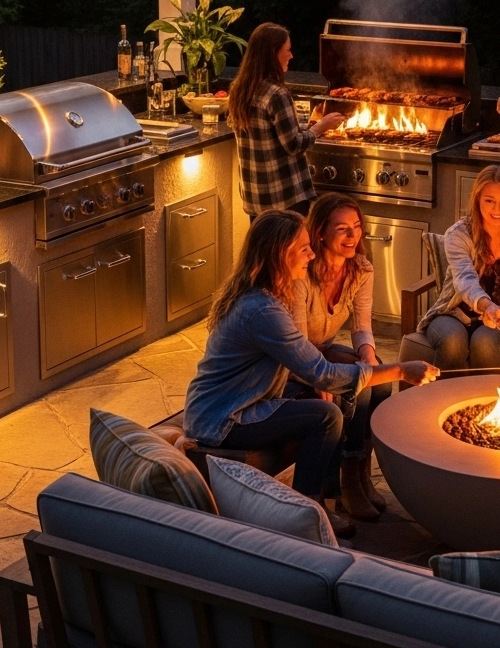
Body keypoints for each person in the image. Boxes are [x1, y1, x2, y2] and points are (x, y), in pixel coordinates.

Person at [183, 210, 438, 525]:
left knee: (339, 399)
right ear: (281, 254)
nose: (311, 254)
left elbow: (309, 367)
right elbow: (322, 373)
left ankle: (337, 489)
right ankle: (307, 512)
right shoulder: (263, 310)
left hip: (247, 398)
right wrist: (401, 371)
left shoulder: (270, 293)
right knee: (326, 416)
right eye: (303, 248)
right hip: (224, 418)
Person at [291, 193, 390, 521]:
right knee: (356, 390)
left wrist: (368, 355)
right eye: (342, 229)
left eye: (357, 227)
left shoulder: (360, 269)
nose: (353, 236)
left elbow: (362, 326)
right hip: (298, 356)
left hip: (324, 349)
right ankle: (340, 485)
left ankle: (359, 473)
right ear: (320, 233)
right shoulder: (303, 274)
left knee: (383, 383)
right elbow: (299, 342)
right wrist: (320, 378)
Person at [417, 165, 500, 369]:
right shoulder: (458, 234)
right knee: (453, 342)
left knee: (484, 341)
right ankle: (444, 398)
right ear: (477, 200)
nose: (497, 210)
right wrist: (486, 305)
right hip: (453, 312)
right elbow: (465, 280)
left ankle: (488, 399)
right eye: (489, 201)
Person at [227, 22, 344, 219]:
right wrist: (322, 127)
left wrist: (310, 125)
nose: (291, 55)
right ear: (273, 53)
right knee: (291, 250)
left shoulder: (239, 90)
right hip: (284, 197)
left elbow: (273, 136)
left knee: (264, 250)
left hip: (256, 198)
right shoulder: (277, 94)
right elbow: (293, 144)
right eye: (287, 50)